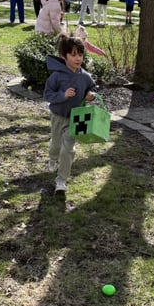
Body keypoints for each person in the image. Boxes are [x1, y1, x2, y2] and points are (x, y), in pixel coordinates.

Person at [44, 36, 97, 193]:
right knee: (56, 145)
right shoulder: (57, 76)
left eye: (80, 54)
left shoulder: (85, 76)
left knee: (68, 149)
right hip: (58, 116)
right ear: (64, 56)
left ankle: (61, 180)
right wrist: (63, 95)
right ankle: (52, 159)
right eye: (73, 55)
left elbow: (93, 88)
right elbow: (47, 94)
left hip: (76, 118)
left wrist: (91, 95)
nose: (78, 58)